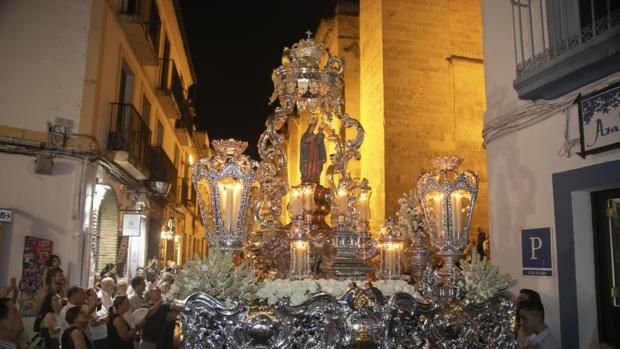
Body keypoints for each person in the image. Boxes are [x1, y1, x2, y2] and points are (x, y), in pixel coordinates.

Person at [299, 118, 326, 184]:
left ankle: (314, 177)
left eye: (314, 127)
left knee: (314, 165)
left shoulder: (314, 136)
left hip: (315, 154)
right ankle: (307, 178)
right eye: (312, 127)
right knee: (308, 166)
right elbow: (303, 144)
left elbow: (319, 141)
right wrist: (309, 139)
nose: (313, 128)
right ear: (309, 127)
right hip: (307, 155)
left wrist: (320, 132)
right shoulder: (305, 135)